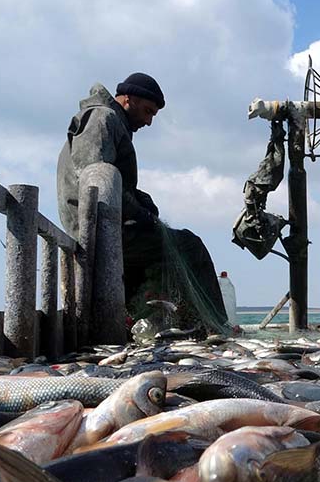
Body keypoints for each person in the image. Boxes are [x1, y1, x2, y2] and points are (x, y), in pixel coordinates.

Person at [56, 73, 228, 331]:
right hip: (94, 232)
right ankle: (215, 326)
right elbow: (96, 181)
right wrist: (140, 213)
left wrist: (141, 201)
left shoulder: (112, 121)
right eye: (148, 111)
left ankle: (145, 324)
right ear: (128, 99)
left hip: (106, 228)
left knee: (159, 248)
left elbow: (114, 184)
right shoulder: (102, 118)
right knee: (191, 246)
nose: (148, 121)